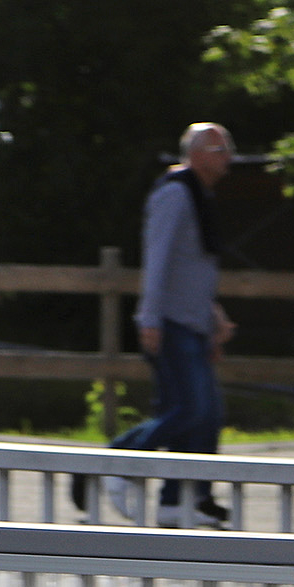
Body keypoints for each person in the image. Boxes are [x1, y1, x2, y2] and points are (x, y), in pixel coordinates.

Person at [88, 122, 238, 529]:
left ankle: (180, 501)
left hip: (193, 322)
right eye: (217, 148)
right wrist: (150, 319)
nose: (226, 156)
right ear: (194, 154)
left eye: (227, 149)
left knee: (207, 416)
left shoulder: (200, 196)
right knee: (190, 410)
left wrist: (213, 317)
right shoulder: (176, 194)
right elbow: (157, 261)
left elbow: (194, 269)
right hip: (170, 323)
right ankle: (119, 463)